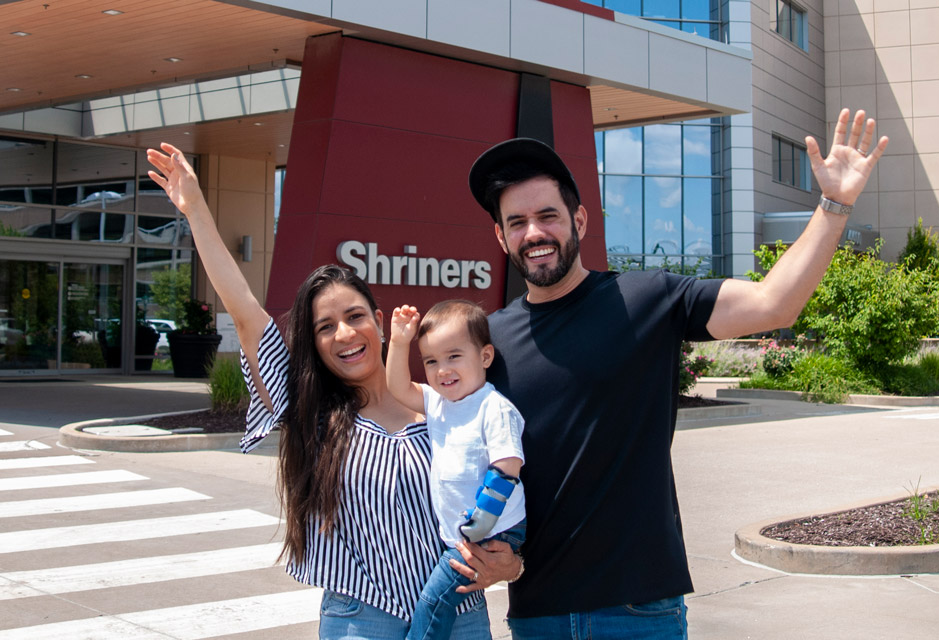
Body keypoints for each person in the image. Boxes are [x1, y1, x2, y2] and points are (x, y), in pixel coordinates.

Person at [452, 108, 888, 639]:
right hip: (538, 612)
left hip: (639, 610)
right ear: (500, 239)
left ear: (580, 222)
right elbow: (456, 458)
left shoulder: (648, 299)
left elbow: (774, 304)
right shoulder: (488, 343)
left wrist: (834, 205)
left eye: (548, 216)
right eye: (516, 223)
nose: (534, 233)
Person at [145, 144, 515, 639]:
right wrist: (195, 209)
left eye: (356, 316)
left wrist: (511, 563)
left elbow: (510, 495)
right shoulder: (311, 412)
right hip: (363, 617)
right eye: (325, 326)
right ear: (313, 343)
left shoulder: (447, 404)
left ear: (380, 324)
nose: (344, 334)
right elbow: (246, 312)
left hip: (459, 614)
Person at [386, 300, 527, 640]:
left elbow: (508, 465)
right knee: (440, 602)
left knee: (434, 601)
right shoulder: (438, 404)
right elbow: (397, 387)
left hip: (493, 530)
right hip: (463, 534)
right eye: (431, 361)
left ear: (485, 357)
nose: (442, 370)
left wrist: (484, 518)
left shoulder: (493, 407)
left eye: (453, 356)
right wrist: (399, 341)